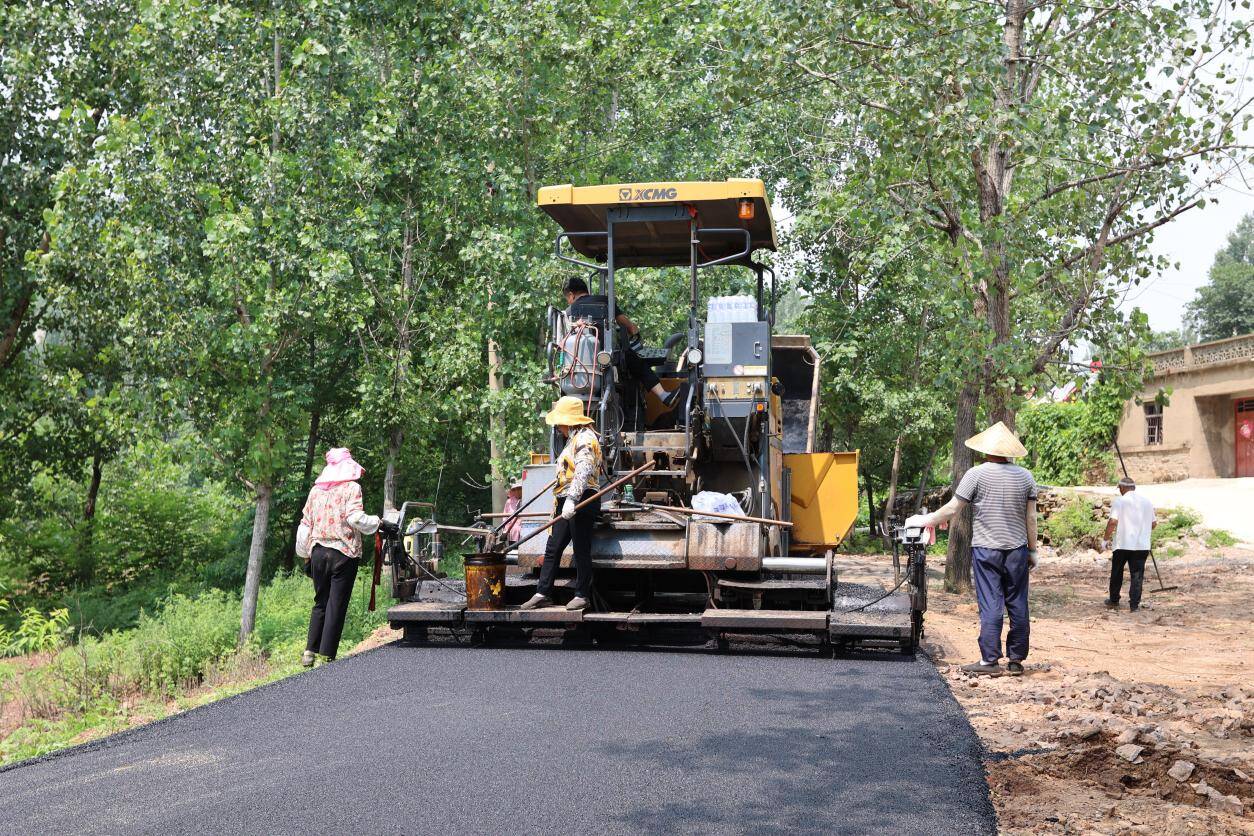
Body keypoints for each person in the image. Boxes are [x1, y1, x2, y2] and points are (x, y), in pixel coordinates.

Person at [905, 422, 1038, 677]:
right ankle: (1016, 660)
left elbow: (953, 509)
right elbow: (1031, 518)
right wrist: (1032, 551)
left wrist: (926, 520)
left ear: (985, 450)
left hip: (987, 549)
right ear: (1010, 451)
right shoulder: (1026, 477)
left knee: (991, 603)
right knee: (1018, 603)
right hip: (1018, 549)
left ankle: (989, 661)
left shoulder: (976, 474)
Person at [295, 447, 397, 666]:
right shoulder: (352, 488)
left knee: (320, 601)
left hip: (318, 553)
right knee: (336, 604)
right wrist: (379, 522)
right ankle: (327, 655)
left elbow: (305, 526)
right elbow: (355, 518)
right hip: (344, 554)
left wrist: (305, 555)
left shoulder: (316, 491)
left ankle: (309, 652)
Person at [521, 396, 602, 612]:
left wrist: (573, 499)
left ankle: (582, 595)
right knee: (553, 546)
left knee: (581, 547)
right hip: (566, 498)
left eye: (559, 423)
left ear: (569, 421)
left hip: (583, 498)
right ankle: (542, 592)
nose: (557, 427)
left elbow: (583, 471)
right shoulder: (572, 439)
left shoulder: (586, 439)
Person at [563, 276, 680, 409]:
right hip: (610, 357)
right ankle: (663, 395)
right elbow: (630, 327)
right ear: (586, 290)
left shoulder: (568, 312)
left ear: (571, 295)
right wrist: (633, 332)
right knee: (636, 362)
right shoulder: (605, 301)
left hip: (579, 364)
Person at [1101, 477, 1156, 612]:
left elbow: (1113, 521)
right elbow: (1154, 524)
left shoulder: (1120, 501)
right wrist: (1142, 530)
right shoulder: (1147, 502)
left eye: (1119, 488)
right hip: (1141, 545)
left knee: (1117, 572)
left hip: (1122, 544)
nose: (1119, 491)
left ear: (1122, 488)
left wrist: (1105, 539)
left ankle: (1114, 600)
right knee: (1137, 575)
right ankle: (1134, 605)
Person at [502, 478, 525, 543]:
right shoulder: (509, 502)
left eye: (519, 488)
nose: (517, 491)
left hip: (525, 531)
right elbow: (505, 517)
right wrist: (506, 530)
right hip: (512, 532)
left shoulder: (527, 499)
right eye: (514, 489)